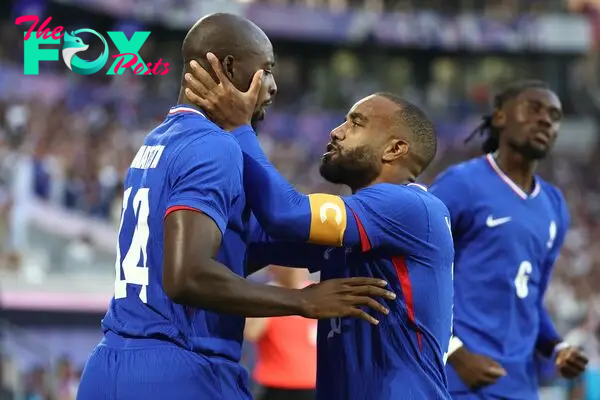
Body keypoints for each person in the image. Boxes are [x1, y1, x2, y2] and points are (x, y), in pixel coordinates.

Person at [76, 13, 395, 400]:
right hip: (181, 370)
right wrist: (302, 301)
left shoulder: (158, 141)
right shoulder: (215, 145)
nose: (273, 86)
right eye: (266, 70)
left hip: (110, 365)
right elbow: (187, 275)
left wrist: (339, 240)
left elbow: (235, 248)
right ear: (228, 68)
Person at [183, 58, 455, 399]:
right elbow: (250, 243)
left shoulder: (412, 208)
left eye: (356, 123)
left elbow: (287, 214)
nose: (336, 131)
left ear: (395, 148)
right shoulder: (358, 227)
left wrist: (240, 127)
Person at [429, 80, 589, 399]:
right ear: (500, 117)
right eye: (534, 109)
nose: (546, 119)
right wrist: (456, 353)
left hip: (519, 385)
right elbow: (415, 273)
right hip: (456, 380)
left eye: (555, 115)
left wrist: (556, 346)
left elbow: (529, 298)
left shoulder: (555, 206)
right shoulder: (461, 184)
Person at [245, 266, 317, 400]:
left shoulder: (314, 294)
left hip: (312, 384)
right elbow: (251, 332)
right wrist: (272, 294)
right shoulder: (267, 297)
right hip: (276, 385)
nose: (296, 271)